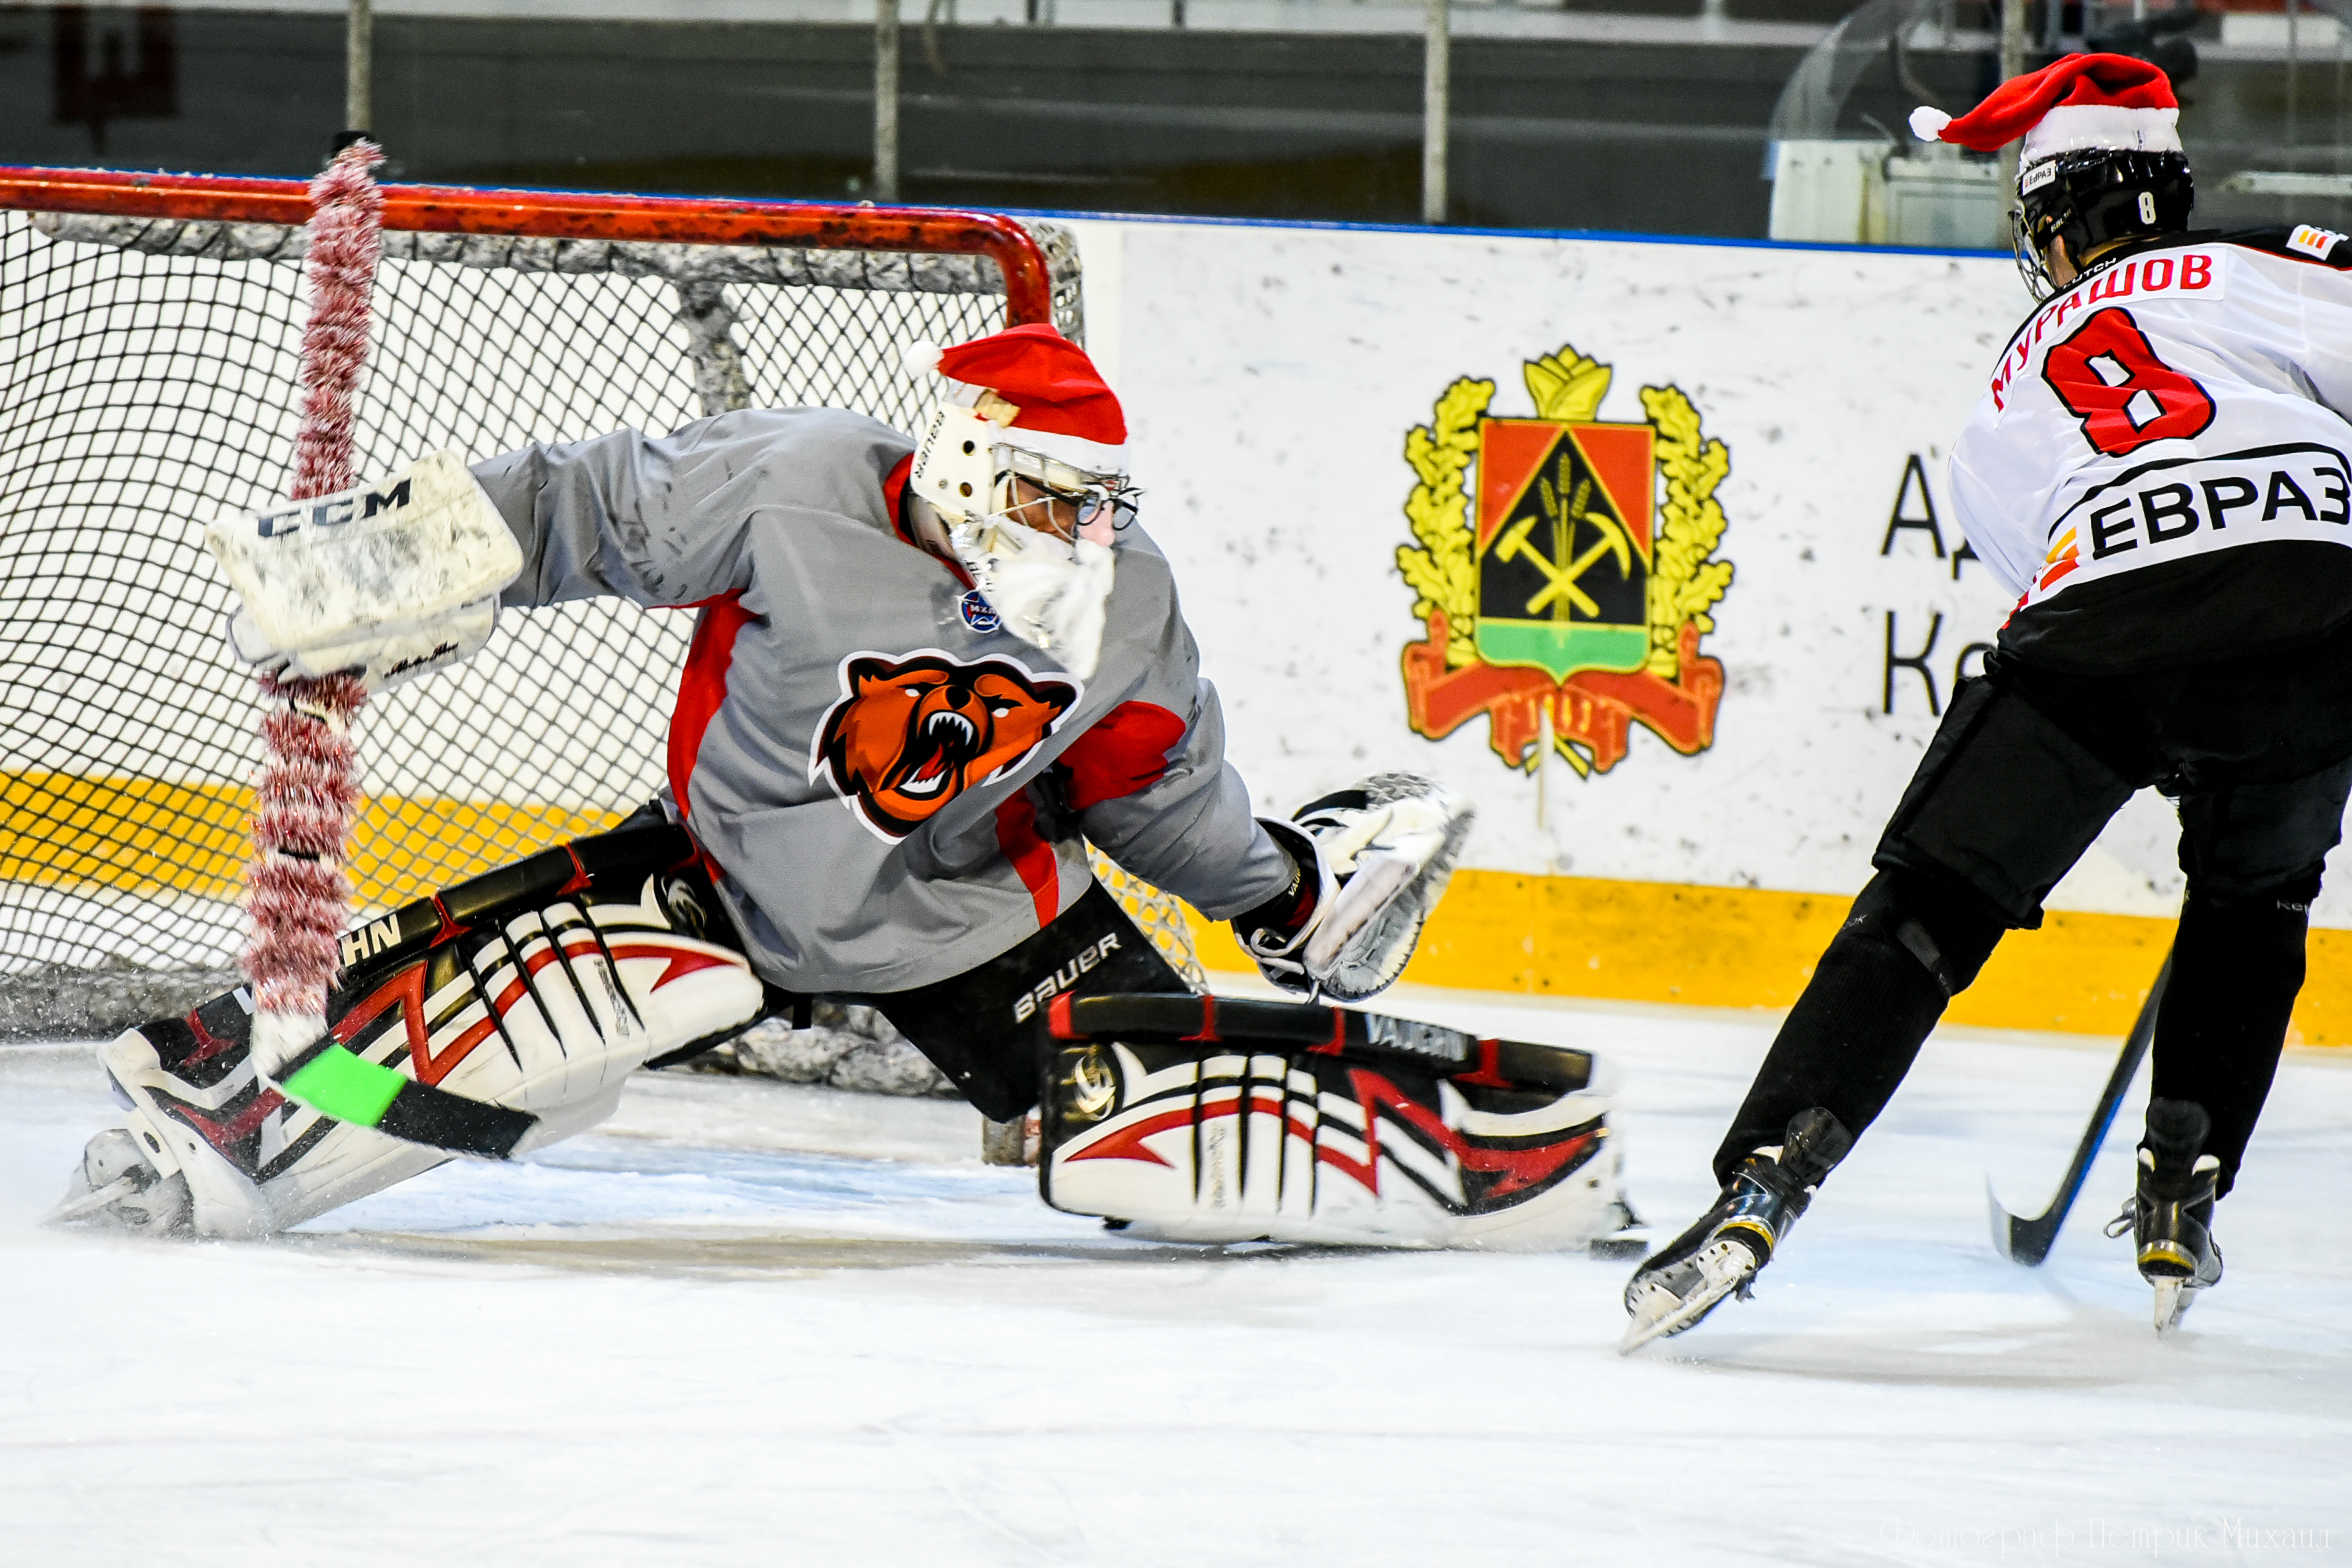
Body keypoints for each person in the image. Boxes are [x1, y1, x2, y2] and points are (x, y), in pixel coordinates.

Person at [55, 324, 1622, 1251]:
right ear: (960, 453)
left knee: (1163, 1139)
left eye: (1091, 501)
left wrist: (1278, 893)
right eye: (1038, 489)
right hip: (722, 883)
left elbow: (1156, 788)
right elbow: (587, 507)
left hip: (990, 923)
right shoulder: (800, 481)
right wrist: (380, 565)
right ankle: (218, 1117)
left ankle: (1514, 1162)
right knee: (441, 1053)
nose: (1068, 527)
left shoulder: (1120, 595)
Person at [1623, 52, 2352, 1346]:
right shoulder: (2276, 265)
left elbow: (2037, 576)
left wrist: (2150, 708)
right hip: (2321, 611)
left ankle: (1765, 1177)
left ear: (2057, 222)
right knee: (2257, 895)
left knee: (1924, 914)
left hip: (2104, 621)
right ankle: (2186, 1175)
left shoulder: (2010, 385)